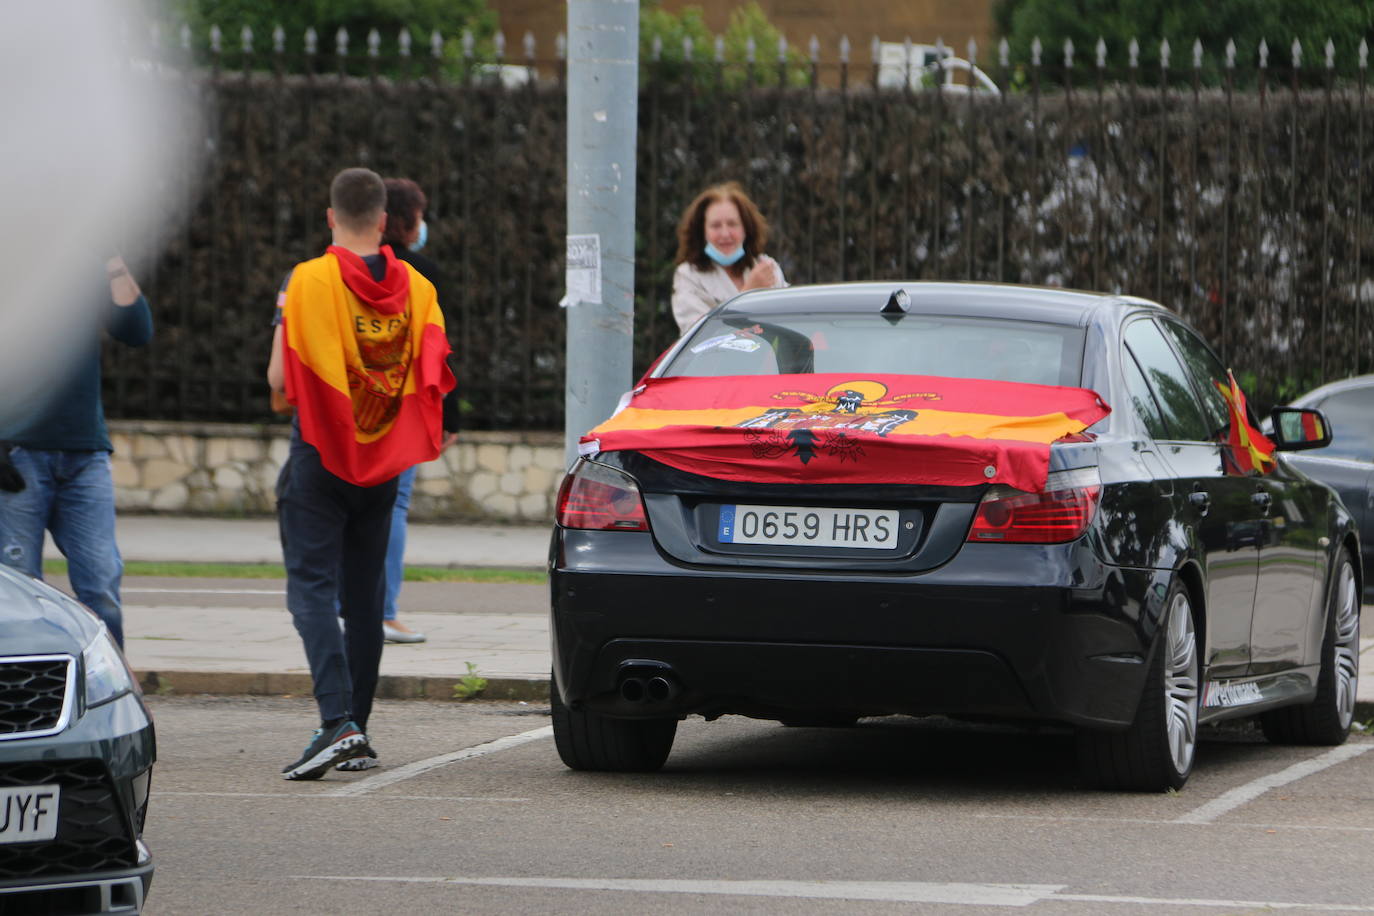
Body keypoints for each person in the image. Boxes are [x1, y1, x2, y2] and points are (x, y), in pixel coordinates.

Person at [267, 167, 454, 780]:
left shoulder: (307, 281)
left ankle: (335, 721)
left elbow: (277, 382)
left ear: (330, 217)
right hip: (381, 464)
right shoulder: (419, 290)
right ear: (382, 220)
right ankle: (359, 730)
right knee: (365, 597)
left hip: (321, 453)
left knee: (311, 589)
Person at [0, 254, 153, 648]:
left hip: (85, 454)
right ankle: (21, 693)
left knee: (101, 582)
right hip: (16, 454)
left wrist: (114, 261)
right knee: (20, 589)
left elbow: (137, 329)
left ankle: (107, 687)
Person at [375, 178, 461, 645]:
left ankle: (353, 606)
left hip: (360, 406)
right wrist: (450, 415)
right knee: (395, 507)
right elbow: (438, 350)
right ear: (407, 221)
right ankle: (385, 611)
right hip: (406, 408)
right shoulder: (421, 274)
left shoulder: (345, 270)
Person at [671, 182, 787, 335]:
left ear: (746, 228)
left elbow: (786, 325)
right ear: (702, 231)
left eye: (732, 224)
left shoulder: (766, 268)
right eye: (716, 226)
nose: (725, 234)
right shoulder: (688, 275)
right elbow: (698, 336)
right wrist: (748, 292)